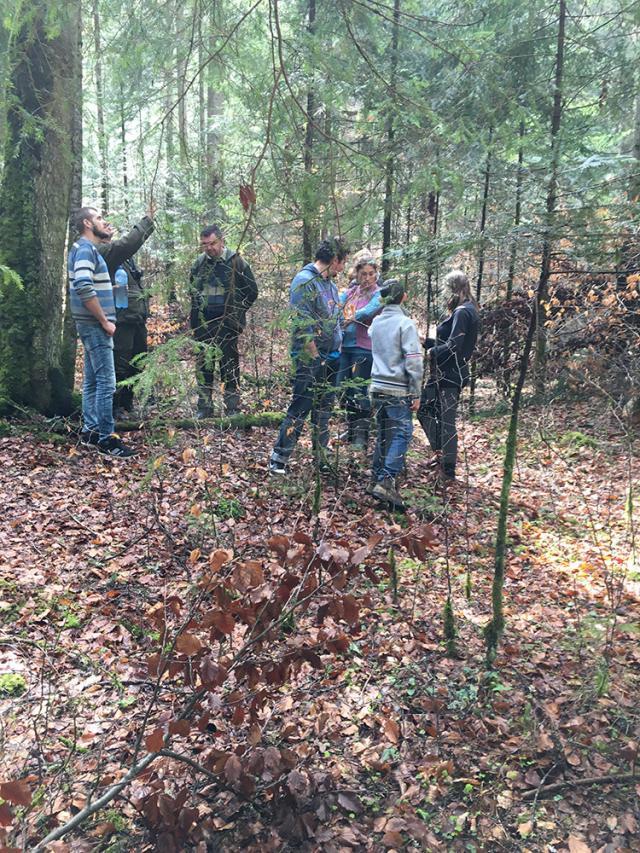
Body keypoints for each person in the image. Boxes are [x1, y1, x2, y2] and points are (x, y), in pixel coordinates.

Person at [269, 237, 349, 474]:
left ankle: (321, 458)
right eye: (343, 262)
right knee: (301, 406)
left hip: (332, 356)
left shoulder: (330, 285)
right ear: (335, 260)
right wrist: (316, 358)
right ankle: (279, 459)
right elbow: (302, 326)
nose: (343, 268)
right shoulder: (304, 281)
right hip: (311, 359)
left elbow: (335, 319)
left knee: (324, 410)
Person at [68, 207, 136, 458]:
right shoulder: (85, 249)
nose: (103, 221)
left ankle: (90, 431)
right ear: (87, 223)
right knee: (107, 381)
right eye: (98, 218)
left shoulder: (84, 249)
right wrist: (104, 321)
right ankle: (106, 439)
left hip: (91, 325)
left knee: (93, 381)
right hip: (95, 326)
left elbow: (87, 283)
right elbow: (84, 287)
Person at [189, 225, 258, 417]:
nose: (209, 248)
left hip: (228, 325)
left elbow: (252, 291)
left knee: (229, 366)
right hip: (204, 326)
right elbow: (192, 293)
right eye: (205, 244)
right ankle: (204, 407)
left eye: (212, 243)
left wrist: (236, 313)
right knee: (204, 366)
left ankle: (232, 407)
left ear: (221, 241)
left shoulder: (236, 262)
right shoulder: (199, 264)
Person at [418, 269, 479, 481]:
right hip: (446, 372)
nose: (445, 295)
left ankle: (448, 470)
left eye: (447, 289)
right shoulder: (466, 309)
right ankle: (442, 456)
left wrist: (431, 352)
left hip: (450, 374)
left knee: (445, 420)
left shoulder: (463, 311)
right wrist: (428, 342)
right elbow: (451, 343)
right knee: (425, 410)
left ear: (455, 289)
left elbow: (454, 346)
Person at [368, 279, 423, 509]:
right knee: (403, 432)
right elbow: (413, 360)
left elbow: (371, 335)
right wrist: (416, 391)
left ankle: (376, 479)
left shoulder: (377, 322)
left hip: (377, 386)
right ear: (403, 297)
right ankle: (387, 480)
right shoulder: (405, 324)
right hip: (397, 388)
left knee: (383, 433)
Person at [96, 206, 155, 418]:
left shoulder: (123, 258)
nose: (108, 225)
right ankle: (114, 406)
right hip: (120, 320)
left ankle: (128, 403)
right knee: (119, 363)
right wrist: (147, 221)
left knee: (138, 362)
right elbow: (128, 244)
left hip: (135, 318)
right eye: (103, 222)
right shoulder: (102, 252)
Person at [337, 255, 382, 450]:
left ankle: (361, 436)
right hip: (345, 346)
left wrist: (350, 317)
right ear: (356, 274)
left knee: (359, 390)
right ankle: (352, 428)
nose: (367, 278)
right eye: (363, 274)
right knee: (344, 389)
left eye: (371, 274)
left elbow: (369, 312)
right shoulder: (350, 292)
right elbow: (336, 307)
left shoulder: (378, 294)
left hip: (364, 347)